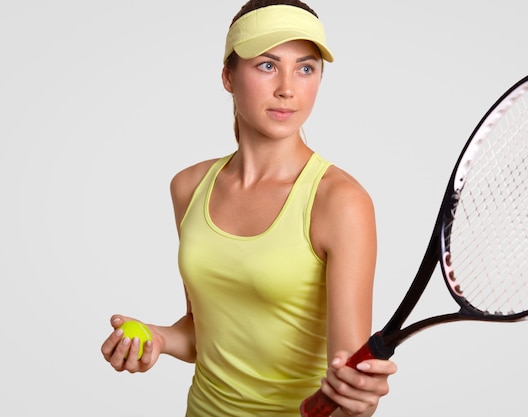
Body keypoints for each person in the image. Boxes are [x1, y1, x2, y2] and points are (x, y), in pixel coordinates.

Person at [100, 1, 397, 416]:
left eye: (306, 68)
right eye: (267, 65)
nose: (288, 88)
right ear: (228, 76)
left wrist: (358, 401)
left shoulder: (340, 202)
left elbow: (345, 381)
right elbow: (204, 333)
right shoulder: (189, 187)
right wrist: (161, 339)